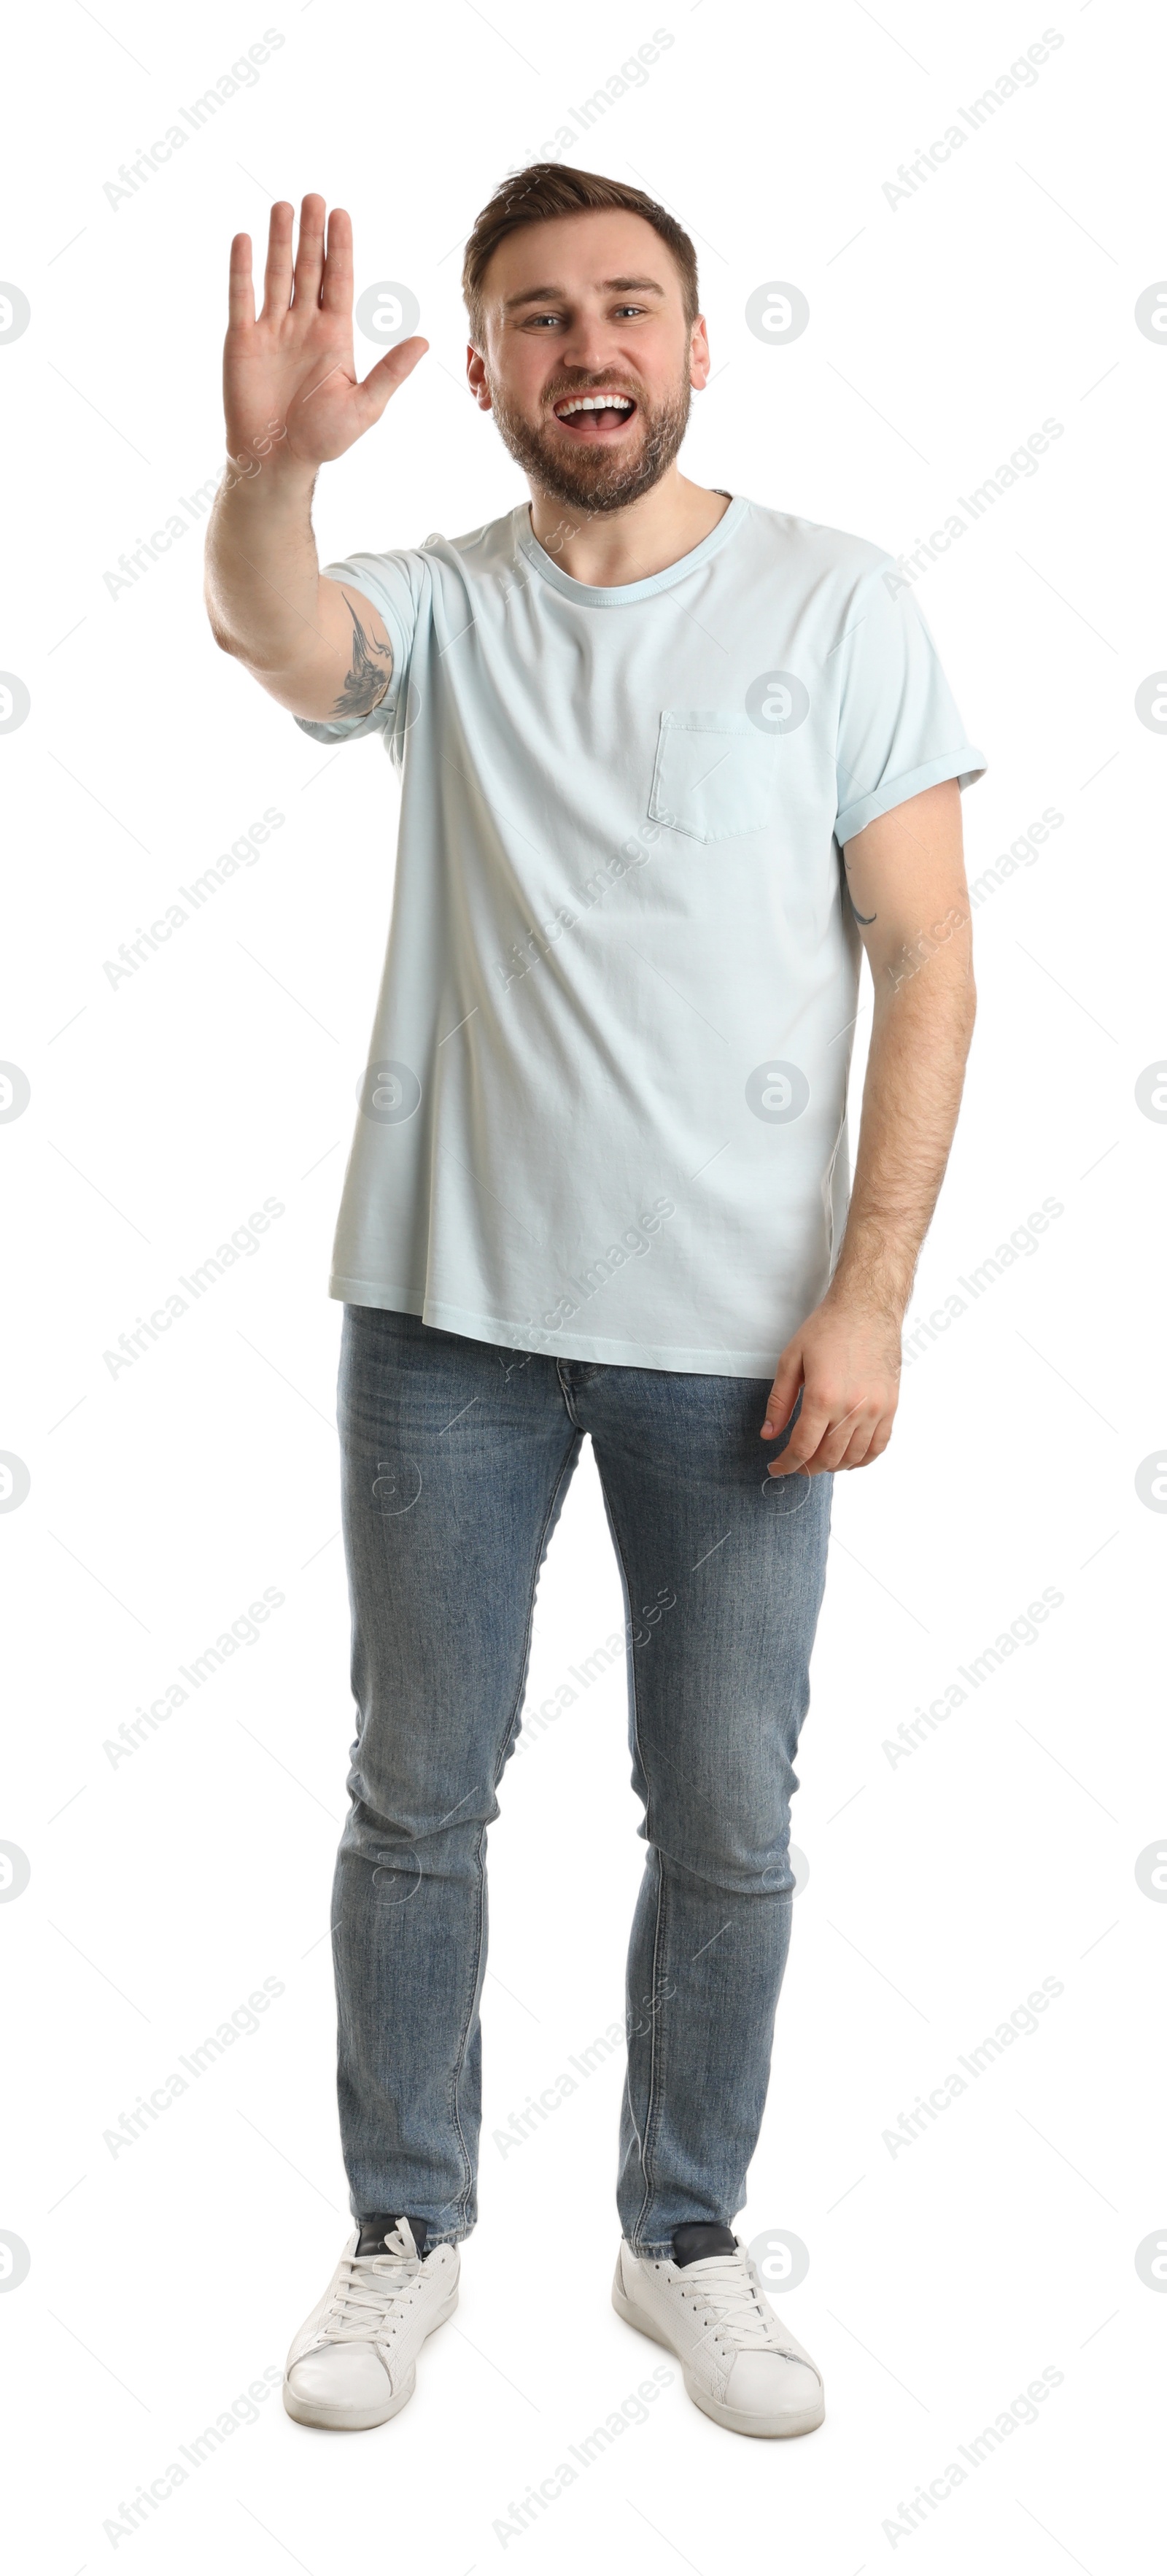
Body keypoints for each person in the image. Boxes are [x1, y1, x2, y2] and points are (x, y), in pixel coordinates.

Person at [203, 164, 985, 2442]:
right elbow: (279, 636)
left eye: (626, 306)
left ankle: (683, 2236)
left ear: (701, 343)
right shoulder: (441, 609)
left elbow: (928, 958)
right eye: (535, 318)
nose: (586, 348)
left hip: (743, 1341)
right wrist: (268, 473)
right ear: (482, 372)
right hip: (443, 1317)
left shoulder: (842, 603)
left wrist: (873, 1296)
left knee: (727, 1807)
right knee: (418, 1791)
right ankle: (407, 2227)